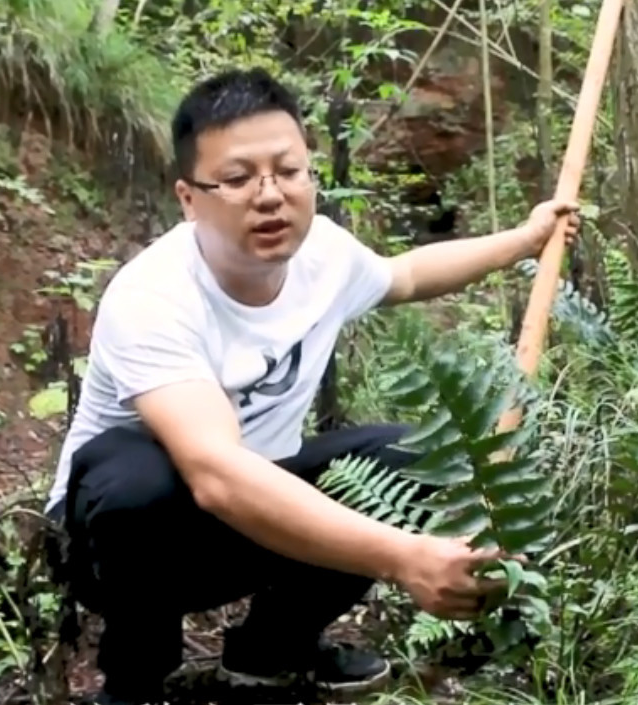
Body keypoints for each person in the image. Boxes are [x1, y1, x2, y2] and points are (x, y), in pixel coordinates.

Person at [43, 67, 580, 705]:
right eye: (238, 178)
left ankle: (272, 649)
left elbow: (404, 274)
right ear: (189, 198)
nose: (269, 196)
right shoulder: (154, 295)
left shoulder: (324, 254)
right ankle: (134, 679)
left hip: (259, 513)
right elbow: (214, 475)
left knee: (415, 456)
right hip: (134, 542)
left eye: (289, 171)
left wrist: (524, 239)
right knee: (137, 479)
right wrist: (404, 556)